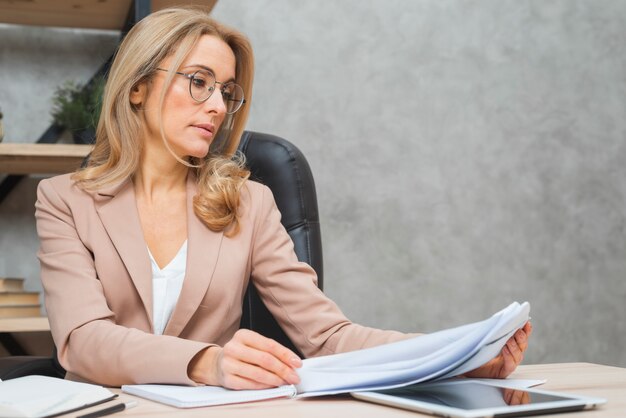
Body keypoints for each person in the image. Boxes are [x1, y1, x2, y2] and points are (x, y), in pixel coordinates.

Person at [35, 6, 532, 389]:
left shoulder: (249, 203)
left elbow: (328, 335)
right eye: (199, 82)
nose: (216, 107)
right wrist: (207, 361)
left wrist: (456, 356)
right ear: (139, 87)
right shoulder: (64, 201)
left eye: (226, 92)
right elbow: (83, 341)